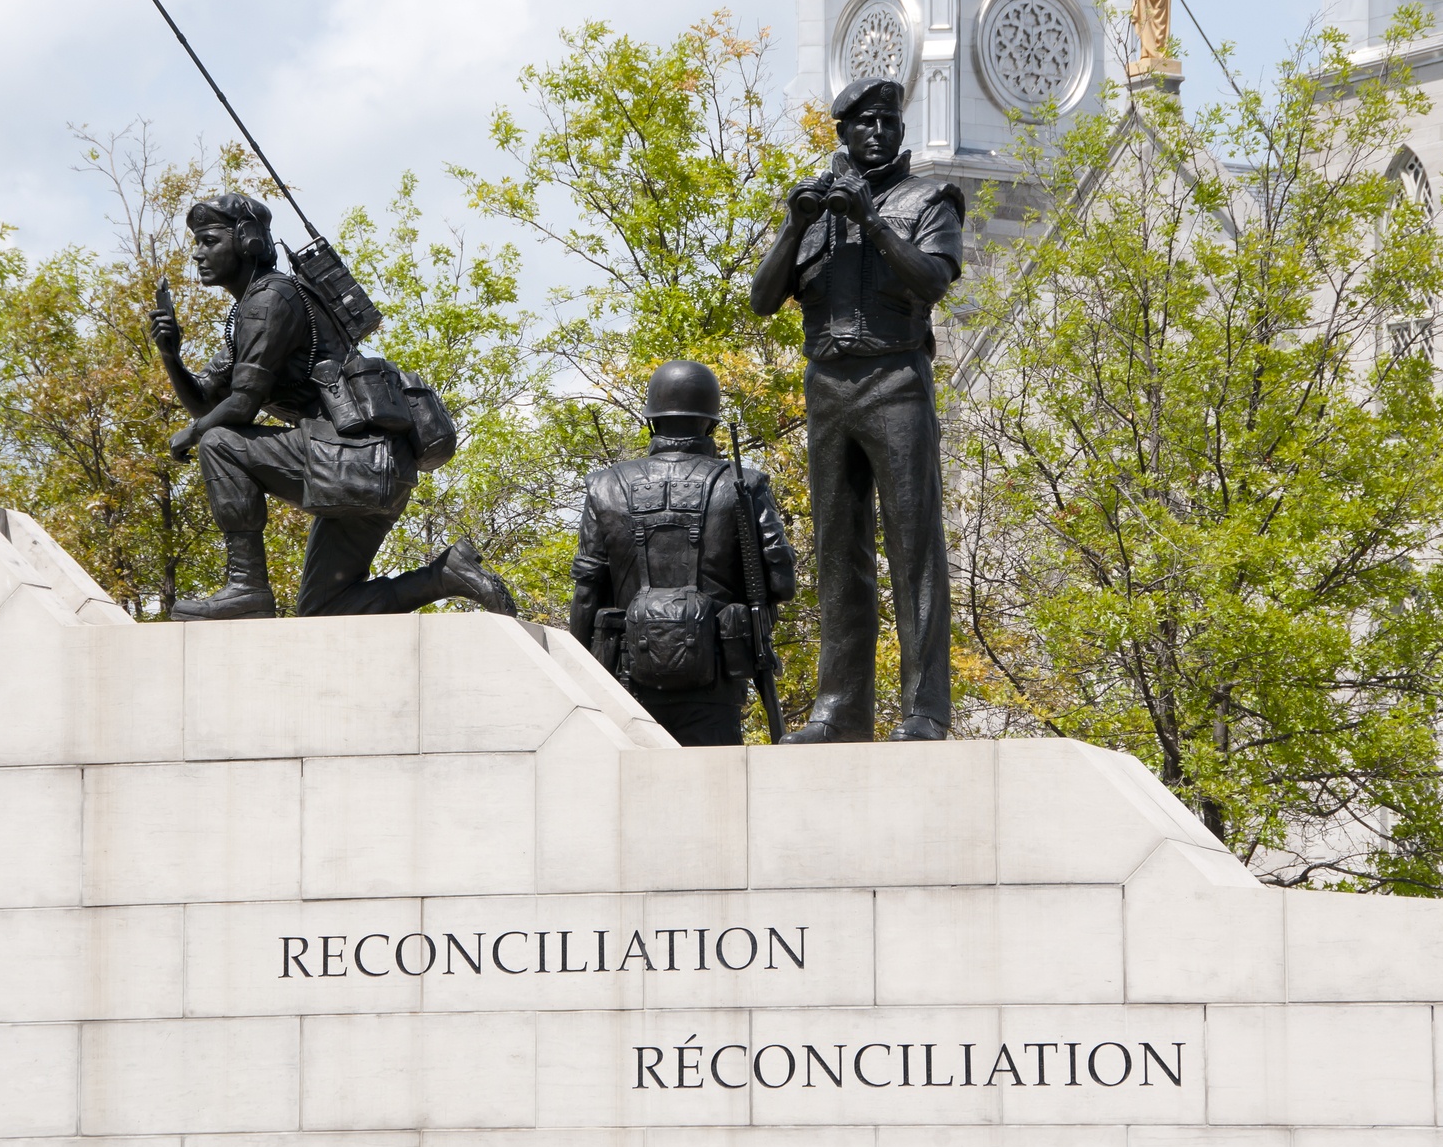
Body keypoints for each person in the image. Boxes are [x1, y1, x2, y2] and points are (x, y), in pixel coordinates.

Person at [148, 192, 515, 620]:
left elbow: (238, 409)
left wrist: (193, 434)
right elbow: (208, 402)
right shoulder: (255, 309)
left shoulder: (270, 300)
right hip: (374, 466)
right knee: (326, 609)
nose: (197, 254)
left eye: (209, 240)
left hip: (351, 460)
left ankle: (246, 586)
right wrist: (171, 355)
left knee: (219, 444)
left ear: (246, 238)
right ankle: (447, 575)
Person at [748, 77, 963, 743]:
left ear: (900, 129)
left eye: (887, 121)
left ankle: (923, 710)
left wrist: (869, 218)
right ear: (841, 133)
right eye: (863, 123)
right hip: (827, 388)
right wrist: (796, 223)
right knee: (838, 554)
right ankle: (839, 710)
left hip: (894, 378)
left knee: (911, 549)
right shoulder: (815, 209)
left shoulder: (928, 199)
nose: (876, 131)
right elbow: (761, 300)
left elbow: (931, 280)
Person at [569, 361, 796, 746]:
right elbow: (783, 582)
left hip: (625, 678)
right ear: (710, 422)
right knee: (716, 795)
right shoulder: (743, 484)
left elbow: (587, 589)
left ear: (651, 421)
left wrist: (578, 674)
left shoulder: (604, 486)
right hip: (716, 683)